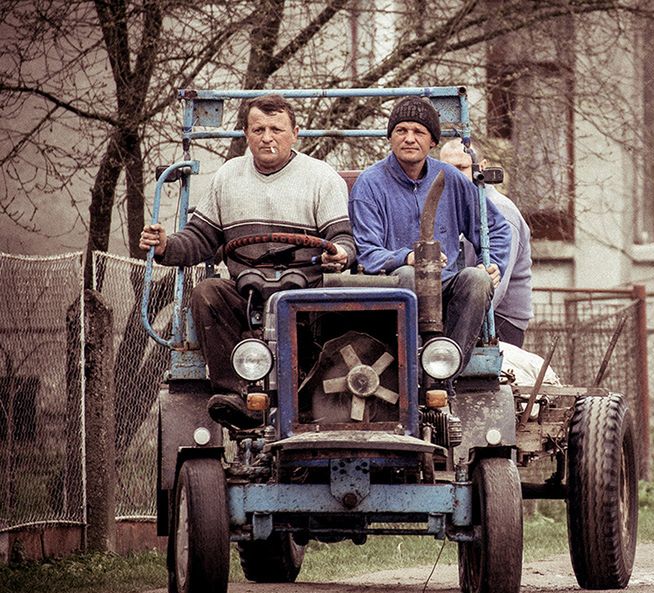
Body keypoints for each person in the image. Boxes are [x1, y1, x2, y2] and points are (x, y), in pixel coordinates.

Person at [139, 94, 355, 429]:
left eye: (277, 129)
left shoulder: (321, 178)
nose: (267, 137)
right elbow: (200, 238)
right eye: (259, 129)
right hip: (247, 289)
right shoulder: (228, 177)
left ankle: (321, 397)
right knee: (207, 292)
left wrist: (340, 254)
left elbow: (341, 238)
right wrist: (166, 245)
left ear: (295, 133)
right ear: (246, 134)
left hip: (307, 291)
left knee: (347, 302)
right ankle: (237, 395)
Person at [348, 96, 511, 372]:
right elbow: (367, 252)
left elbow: (495, 227)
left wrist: (492, 263)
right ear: (390, 137)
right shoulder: (369, 184)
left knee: (477, 279)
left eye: (419, 132)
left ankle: (444, 371)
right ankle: (408, 370)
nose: (409, 138)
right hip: (391, 292)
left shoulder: (452, 178)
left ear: (432, 142)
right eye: (401, 130)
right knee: (409, 276)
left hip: (445, 288)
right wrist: (407, 257)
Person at [439, 139, 533, 347]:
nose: (455, 176)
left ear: (481, 168)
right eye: (447, 169)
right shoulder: (456, 206)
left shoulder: (501, 212)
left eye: (462, 168)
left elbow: (494, 287)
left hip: (499, 321)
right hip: (466, 309)